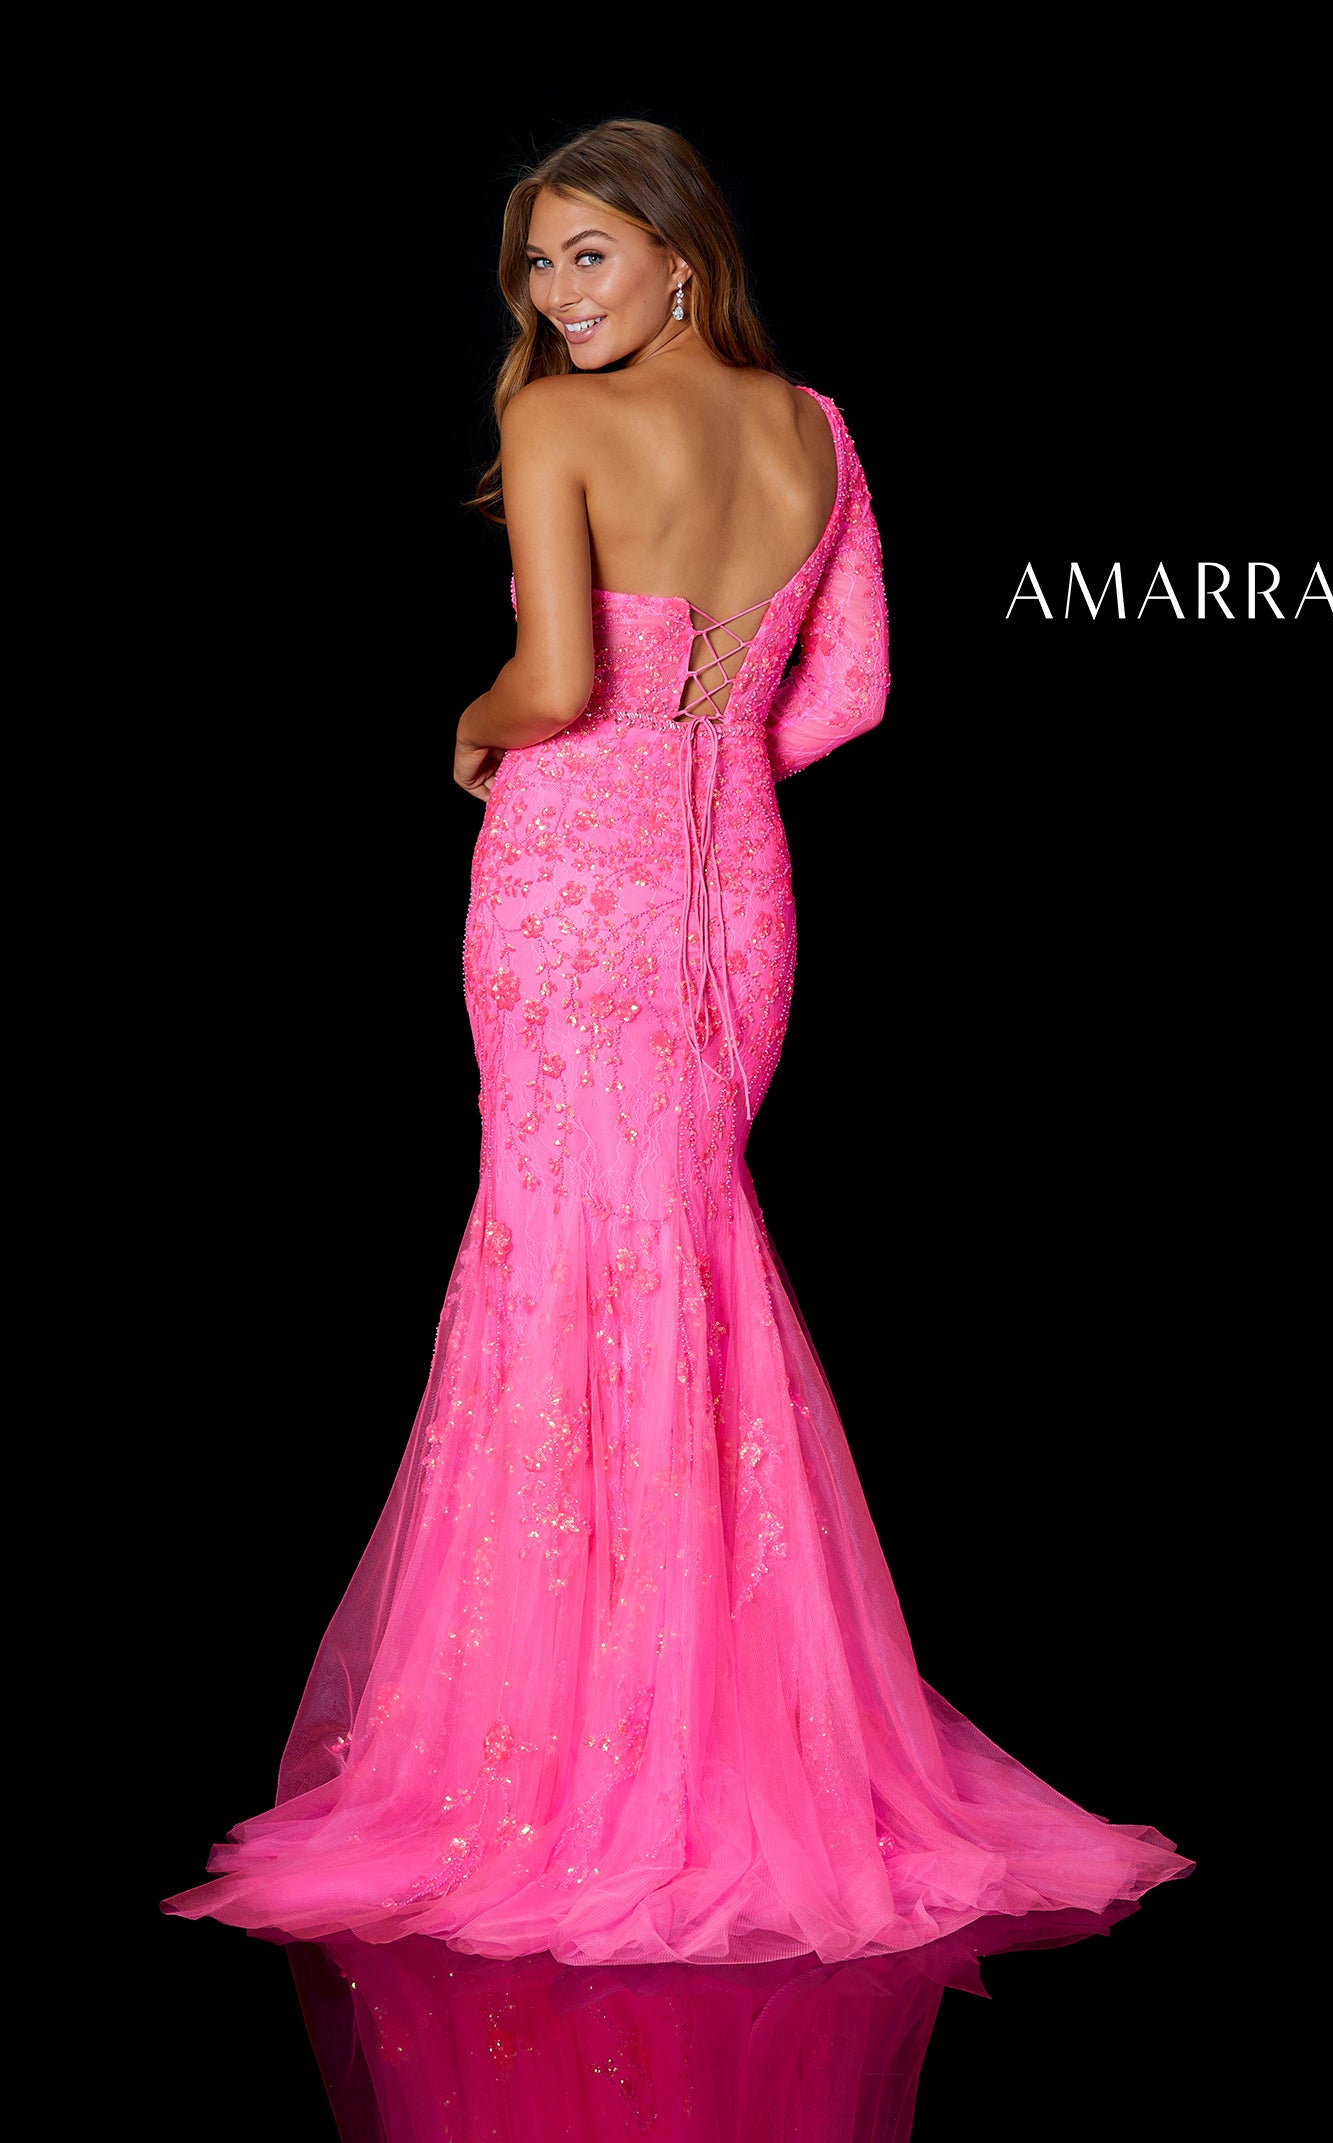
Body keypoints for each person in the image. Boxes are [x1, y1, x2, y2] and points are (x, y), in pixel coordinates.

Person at [163, 120, 1190, 1968]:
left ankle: (571, 1774)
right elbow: (854, 689)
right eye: (535, 263)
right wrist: (712, 780)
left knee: (564, 1265)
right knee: (680, 1264)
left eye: (586, 255)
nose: (554, 296)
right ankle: (716, 1750)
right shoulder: (817, 432)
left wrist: (479, 730)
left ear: (677, 260)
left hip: (570, 882)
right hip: (740, 899)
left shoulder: (562, 425)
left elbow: (557, 679)